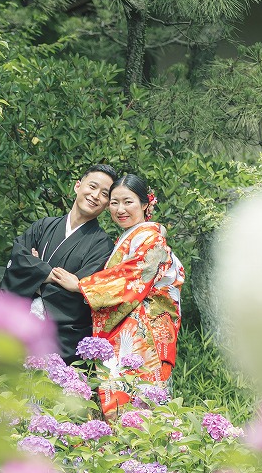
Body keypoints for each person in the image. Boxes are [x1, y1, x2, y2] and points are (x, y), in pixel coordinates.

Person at [48, 173, 184, 418]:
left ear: (145, 204)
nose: (120, 209)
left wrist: (81, 286)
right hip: (128, 328)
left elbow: (133, 276)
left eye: (128, 202)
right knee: (120, 399)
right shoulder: (128, 238)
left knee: (137, 403)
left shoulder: (151, 238)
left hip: (144, 333)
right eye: (114, 202)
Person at [1, 165, 119, 357]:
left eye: (104, 194)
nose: (95, 195)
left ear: (107, 204)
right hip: (18, 325)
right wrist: (49, 276)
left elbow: (82, 293)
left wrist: (35, 273)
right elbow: (18, 260)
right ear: (77, 186)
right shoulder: (44, 226)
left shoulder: (102, 245)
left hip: (61, 339)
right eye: (92, 186)